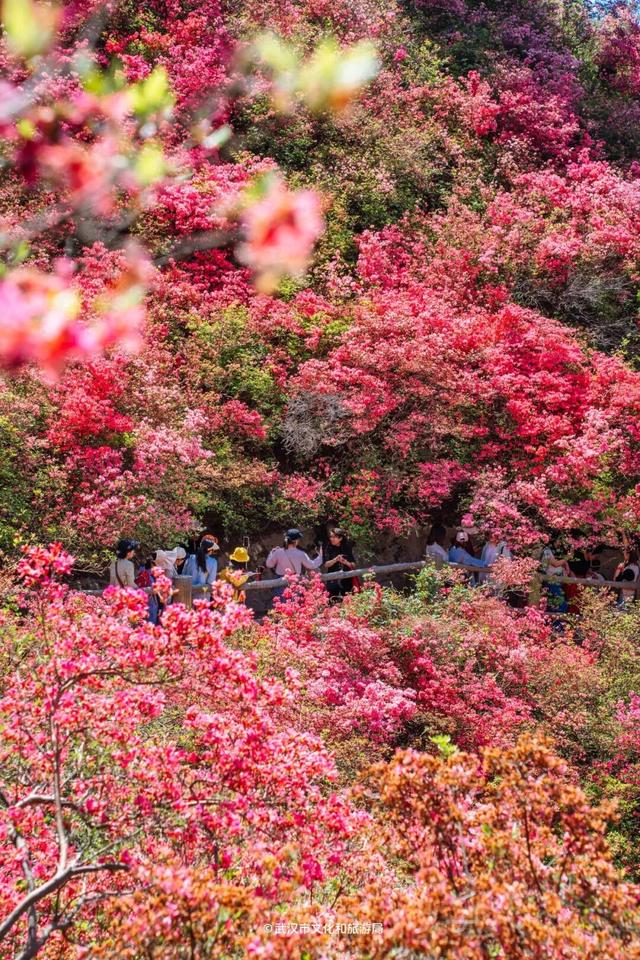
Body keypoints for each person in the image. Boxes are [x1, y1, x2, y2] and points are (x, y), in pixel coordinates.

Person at [266, 528, 323, 599]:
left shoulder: (278, 552)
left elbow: (269, 564)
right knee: (293, 606)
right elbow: (312, 565)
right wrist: (320, 556)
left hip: (279, 582)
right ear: (296, 541)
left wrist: (271, 553)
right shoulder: (301, 554)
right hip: (294, 582)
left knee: (280, 606)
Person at [323, 528, 356, 602]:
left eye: (334, 537)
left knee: (348, 602)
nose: (331, 539)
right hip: (333, 579)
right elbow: (326, 565)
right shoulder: (328, 548)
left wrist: (345, 562)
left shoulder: (347, 548)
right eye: (331, 537)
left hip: (346, 580)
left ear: (340, 538)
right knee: (332, 602)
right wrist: (335, 560)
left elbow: (353, 565)